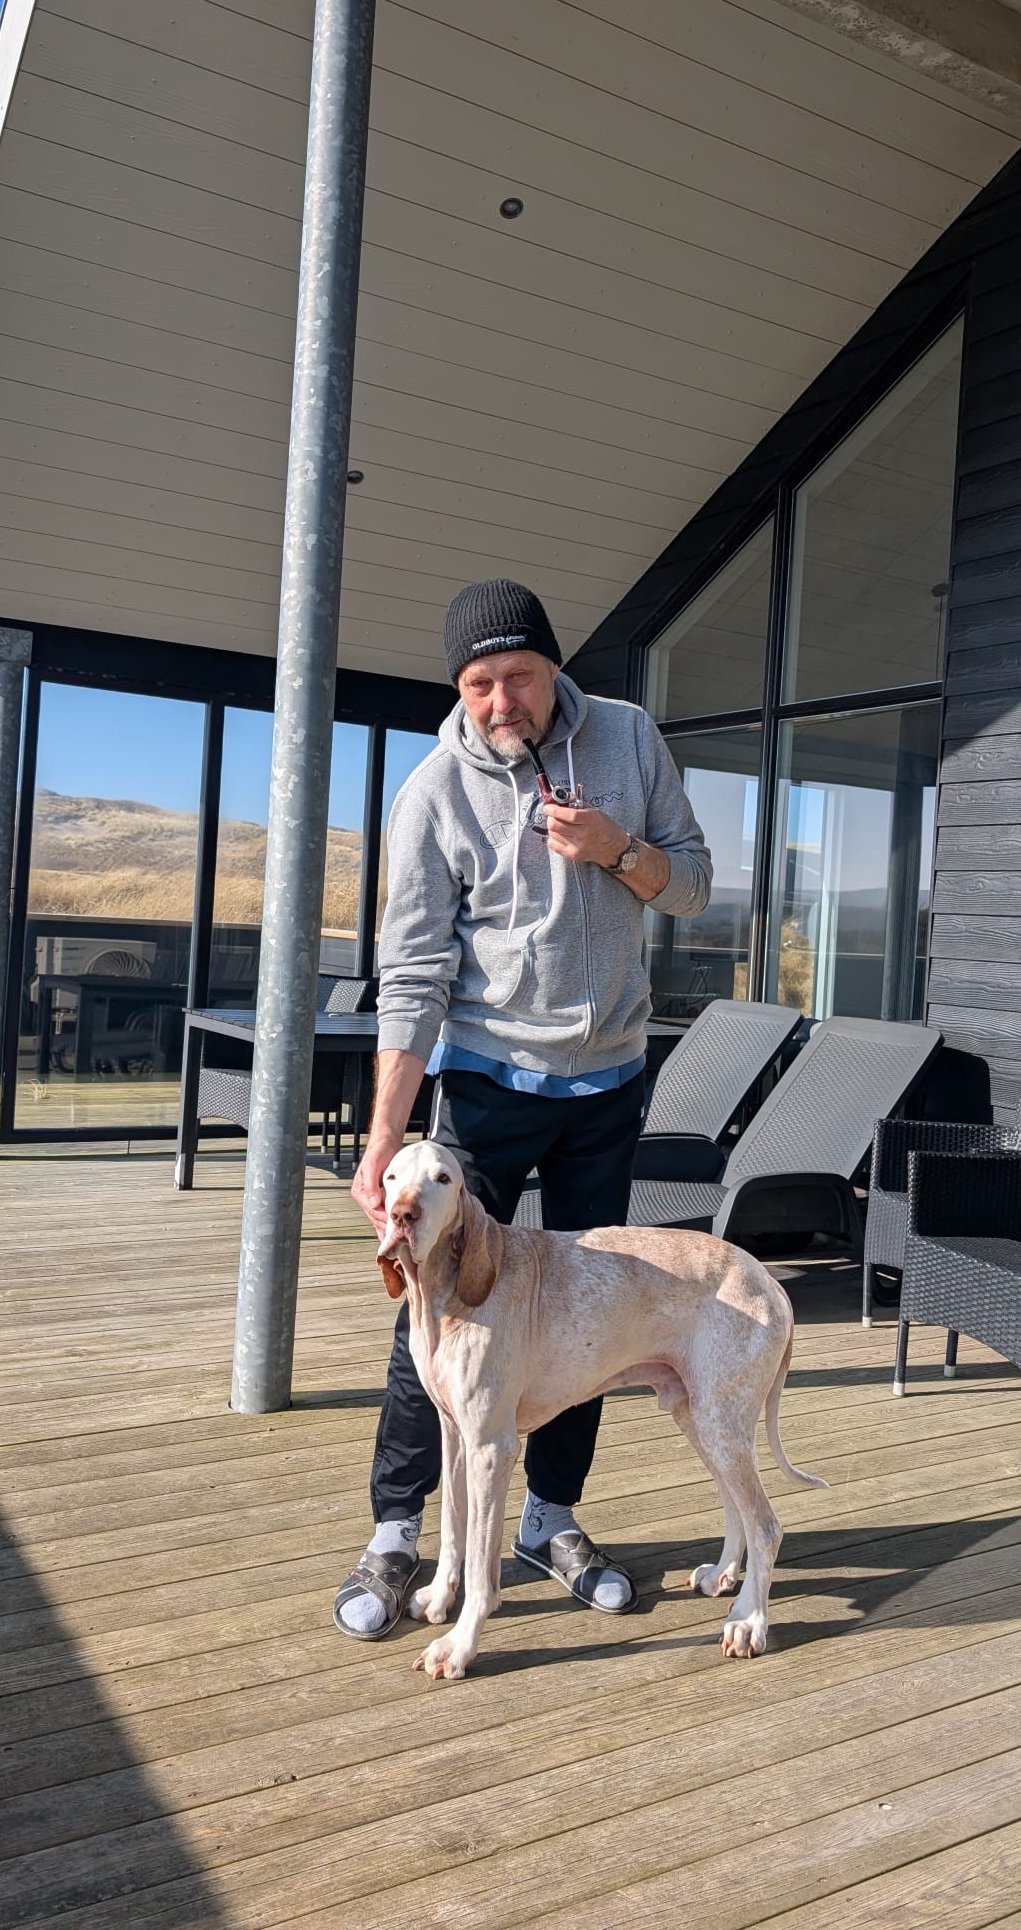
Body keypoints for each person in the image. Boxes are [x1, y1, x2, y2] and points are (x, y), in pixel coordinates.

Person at [335, 577, 713, 1640]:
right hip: (488, 1087)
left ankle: (551, 1519)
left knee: (586, 1315)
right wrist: (383, 1139)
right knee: (438, 1300)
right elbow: (413, 975)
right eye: (479, 684)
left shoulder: (630, 740)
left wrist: (618, 851)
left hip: (609, 1084)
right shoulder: (434, 794)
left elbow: (693, 884)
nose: (501, 701)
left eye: (519, 676)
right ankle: (396, 1533)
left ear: (555, 668)